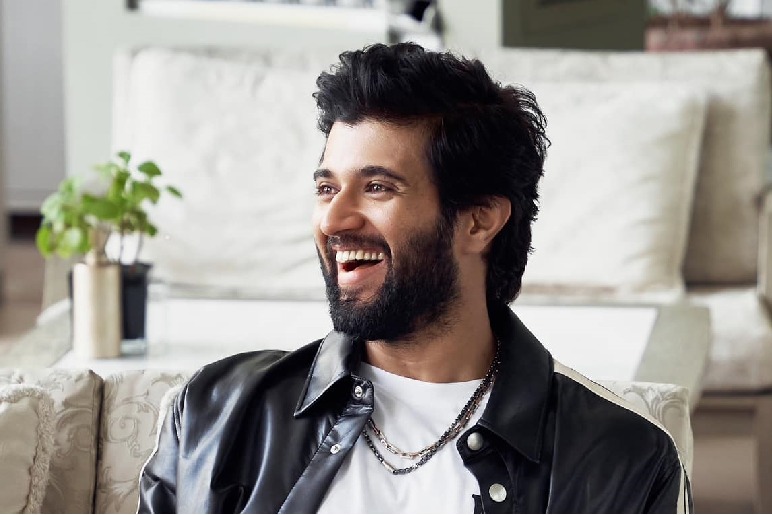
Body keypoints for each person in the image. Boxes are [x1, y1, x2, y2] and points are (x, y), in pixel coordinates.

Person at [138, 42, 692, 514]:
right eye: (327, 188)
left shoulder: (620, 461)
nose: (334, 219)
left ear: (478, 221)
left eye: (377, 188)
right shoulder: (217, 413)